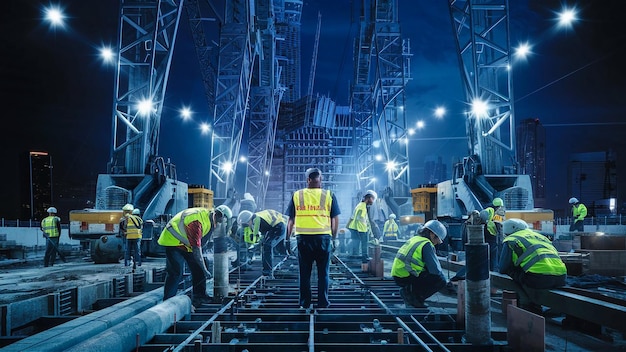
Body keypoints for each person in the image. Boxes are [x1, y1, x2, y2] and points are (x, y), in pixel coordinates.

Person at [285, 167, 340, 309]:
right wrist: (334, 238)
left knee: (304, 273)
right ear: (320, 180)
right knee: (323, 273)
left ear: (307, 180)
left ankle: (305, 303)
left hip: (303, 239)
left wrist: (286, 239)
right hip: (323, 238)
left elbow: (290, 220)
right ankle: (323, 303)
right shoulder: (329, 195)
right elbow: (335, 219)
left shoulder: (297, 195)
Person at [158, 205, 232, 305]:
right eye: (224, 220)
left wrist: (203, 267)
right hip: (173, 241)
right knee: (176, 272)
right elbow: (196, 249)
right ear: (220, 216)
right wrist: (205, 270)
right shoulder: (197, 222)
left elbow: (200, 244)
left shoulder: (208, 218)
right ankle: (167, 302)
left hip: (186, 244)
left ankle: (199, 297)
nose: (224, 223)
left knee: (199, 268)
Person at [498, 218, 567, 313]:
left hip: (538, 279)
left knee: (510, 271)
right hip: (561, 277)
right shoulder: (542, 237)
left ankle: (526, 303)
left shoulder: (511, 240)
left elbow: (503, 268)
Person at [391, 220, 448, 308]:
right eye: (437, 239)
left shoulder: (415, 239)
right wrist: (449, 285)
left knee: (426, 273)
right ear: (432, 234)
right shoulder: (426, 244)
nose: (437, 243)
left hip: (398, 274)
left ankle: (408, 292)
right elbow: (435, 271)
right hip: (406, 276)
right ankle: (415, 298)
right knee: (441, 280)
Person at [237, 209, 287, 277]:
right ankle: (272, 266)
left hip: (279, 226)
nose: (247, 226)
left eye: (246, 224)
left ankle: (268, 271)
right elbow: (262, 236)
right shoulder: (257, 218)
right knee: (268, 245)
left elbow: (261, 236)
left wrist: (255, 245)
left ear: (250, 220)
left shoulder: (258, 220)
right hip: (273, 227)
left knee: (267, 245)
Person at [347, 189, 379, 262]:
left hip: (356, 228)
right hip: (360, 229)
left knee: (356, 243)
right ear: (370, 198)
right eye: (373, 199)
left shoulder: (361, 205)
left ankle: (355, 257)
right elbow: (360, 219)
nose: (373, 201)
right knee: (364, 243)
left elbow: (354, 217)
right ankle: (364, 257)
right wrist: (363, 231)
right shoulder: (362, 207)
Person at [480, 197, 506, 270]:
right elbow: (499, 225)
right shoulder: (493, 211)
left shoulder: (490, 210)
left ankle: (490, 267)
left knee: (490, 251)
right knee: (493, 251)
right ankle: (493, 268)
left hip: (487, 233)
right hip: (491, 234)